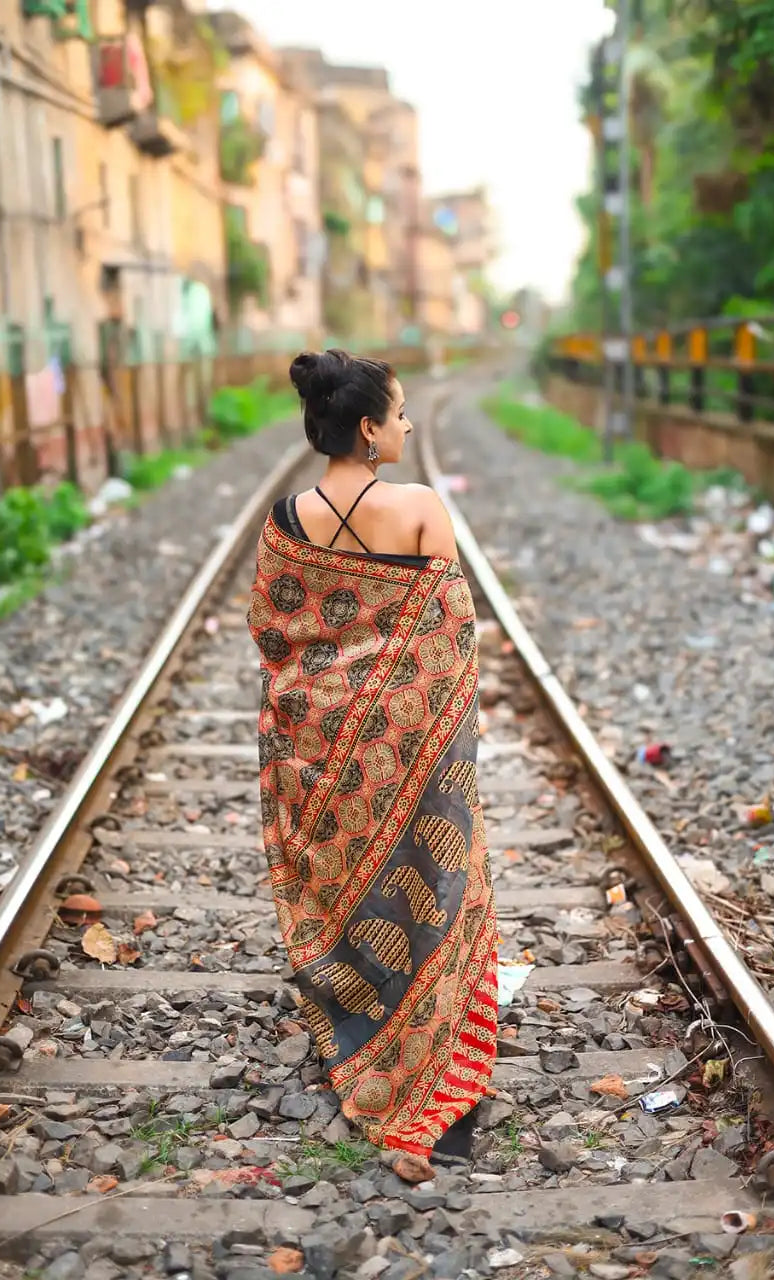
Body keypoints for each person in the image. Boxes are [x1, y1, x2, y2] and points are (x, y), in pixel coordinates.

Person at [247, 349, 497, 1180]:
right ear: (367, 428)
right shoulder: (421, 508)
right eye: (399, 414)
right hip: (410, 739)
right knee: (426, 883)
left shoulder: (285, 520)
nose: (409, 426)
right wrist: (422, 716)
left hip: (321, 745)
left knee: (347, 879)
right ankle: (426, 1057)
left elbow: (274, 638)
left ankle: (355, 1023)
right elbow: (449, 633)